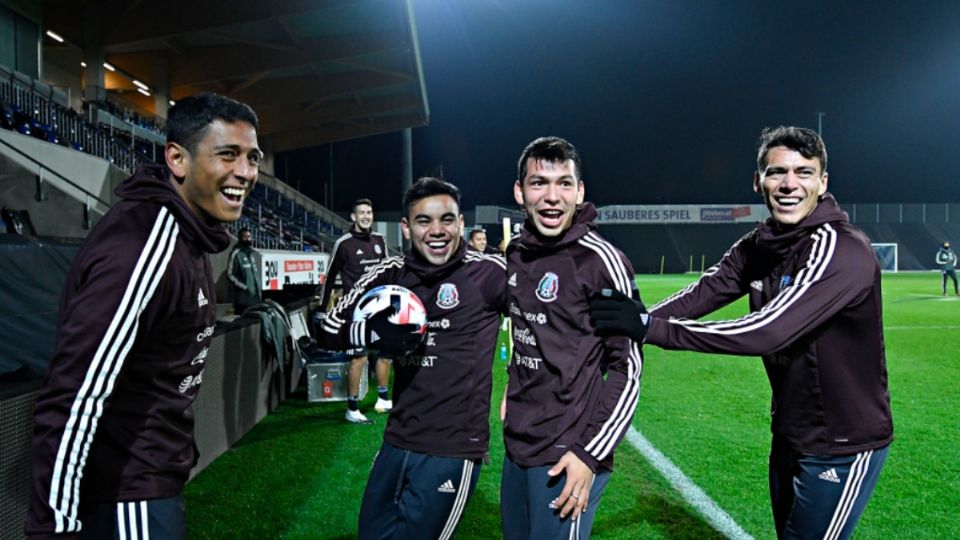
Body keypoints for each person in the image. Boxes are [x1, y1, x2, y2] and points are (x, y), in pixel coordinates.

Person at [589, 126, 893, 540]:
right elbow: (706, 291)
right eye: (777, 172)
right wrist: (631, 320)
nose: (789, 184)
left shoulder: (839, 249)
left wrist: (650, 328)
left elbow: (767, 332)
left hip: (842, 441)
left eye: (804, 173)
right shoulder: (760, 243)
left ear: (822, 183)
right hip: (792, 429)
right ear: (758, 180)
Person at [26, 93, 262, 539]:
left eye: (252, 158)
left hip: (147, 484)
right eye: (227, 155)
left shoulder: (185, 234)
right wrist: (52, 526)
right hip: (125, 494)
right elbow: (76, 396)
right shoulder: (145, 246)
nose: (245, 174)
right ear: (177, 158)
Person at [319, 177, 507, 540]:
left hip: (453, 447)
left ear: (461, 224)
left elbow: (543, 320)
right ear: (406, 227)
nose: (437, 231)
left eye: (447, 219)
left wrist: (521, 382)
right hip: (398, 438)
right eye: (424, 221)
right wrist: (376, 333)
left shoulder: (487, 274)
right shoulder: (391, 274)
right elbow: (328, 325)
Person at [501, 136, 642, 540]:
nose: (551, 196)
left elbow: (627, 368)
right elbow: (528, 331)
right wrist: (511, 387)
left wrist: (588, 453)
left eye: (564, 183)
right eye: (538, 183)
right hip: (517, 446)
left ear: (580, 192)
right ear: (519, 191)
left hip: (568, 450)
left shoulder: (600, 262)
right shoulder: (518, 253)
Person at [318, 198, 392, 423]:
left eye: (369, 212)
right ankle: (352, 408)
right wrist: (322, 309)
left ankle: (383, 399)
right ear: (353, 217)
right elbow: (330, 277)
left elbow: (388, 271)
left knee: (385, 354)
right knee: (359, 358)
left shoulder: (380, 240)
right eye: (361, 213)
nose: (366, 216)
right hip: (355, 312)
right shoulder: (344, 243)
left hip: (379, 308)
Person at [228, 227, 261, 313]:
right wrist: (245, 287)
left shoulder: (251, 253)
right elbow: (230, 274)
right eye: (245, 236)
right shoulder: (236, 253)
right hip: (242, 301)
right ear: (240, 238)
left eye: (249, 236)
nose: (247, 239)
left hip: (255, 299)